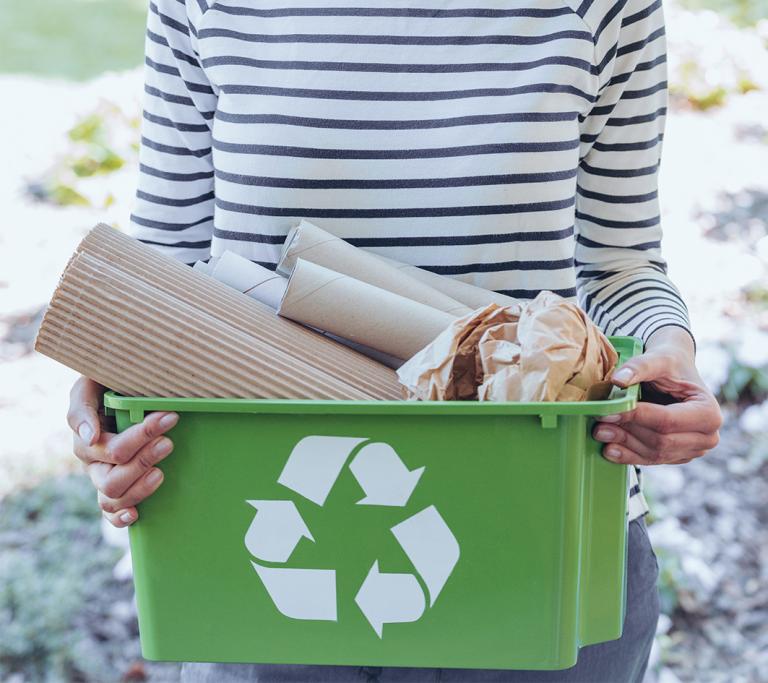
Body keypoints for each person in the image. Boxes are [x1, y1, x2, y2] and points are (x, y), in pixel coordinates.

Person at [66, 0, 722, 680]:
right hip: (254, 548)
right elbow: (162, 268)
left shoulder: (603, 8)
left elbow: (620, 262)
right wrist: (104, 409)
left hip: (538, 536)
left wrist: (670, 348)